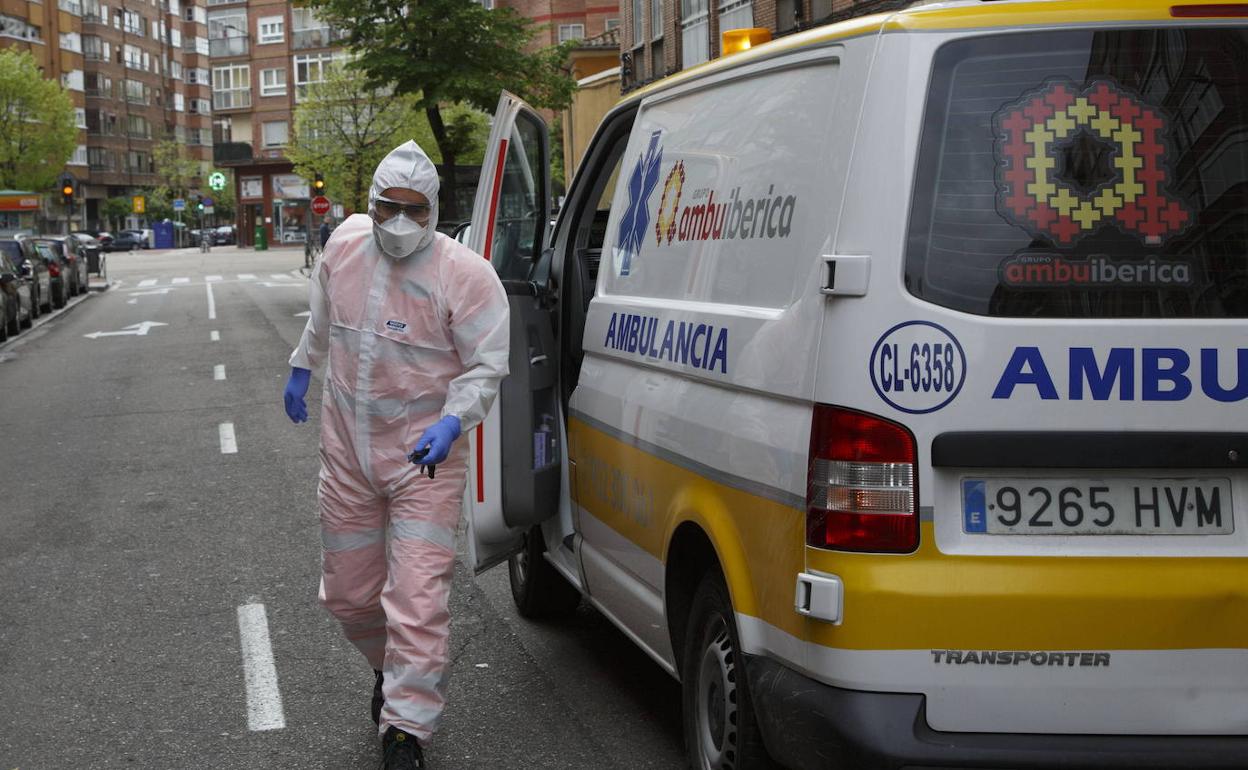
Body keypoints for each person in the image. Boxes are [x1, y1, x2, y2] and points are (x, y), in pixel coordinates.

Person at [282, 140, 509, 769]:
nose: (399, 221)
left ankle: (405, 729)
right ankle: (391, 669)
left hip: (423, 462)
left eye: (414, 209)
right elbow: (324, 318)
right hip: (349, 453)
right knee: (350, 597)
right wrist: (304, 365)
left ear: (434, 211)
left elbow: (487, 365)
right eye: (388, 207)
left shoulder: (464, 275)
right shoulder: (345, 246)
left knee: (417, 598)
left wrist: (454, 419)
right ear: (372, 204)